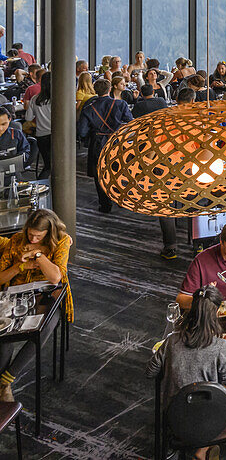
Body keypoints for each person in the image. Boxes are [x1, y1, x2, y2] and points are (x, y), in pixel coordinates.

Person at [146, 285, 226, 460]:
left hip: (175, 417)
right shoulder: (220, 347)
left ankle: (201, 450)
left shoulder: (171, 341)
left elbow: (150, 372)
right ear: (216, 314)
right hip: (209, 420)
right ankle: (205, 447)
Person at [0, 209, 73, 402]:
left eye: (37, 236)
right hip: (17, 294)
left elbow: (56, 276)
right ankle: (2, 383)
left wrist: (38, 255)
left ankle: (7, 379)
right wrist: (20, 267)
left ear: (48, 233)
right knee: (6, 330)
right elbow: (0, 277)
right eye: (30, 234)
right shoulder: (16, 240)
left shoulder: (62, 241)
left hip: (47, 294)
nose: (32, 238)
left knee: (45, 326)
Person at [77, 79, 133, 212]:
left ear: (95, 91)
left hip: (97, 143)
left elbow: (82, 132)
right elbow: (130, 123)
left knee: (100, 175)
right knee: (119, 171)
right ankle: (121, 199)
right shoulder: (121, 104)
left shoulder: (89, 108)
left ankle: (105, 204)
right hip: (116, 142)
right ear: (109, 90)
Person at [24, 72, 52, 174]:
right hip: (59, 136)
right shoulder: (60, 99)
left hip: (42, 136)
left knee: (48, 165)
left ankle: (42, 185)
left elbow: (28, 118)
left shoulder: (35, 99)